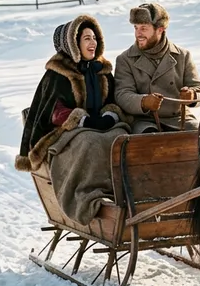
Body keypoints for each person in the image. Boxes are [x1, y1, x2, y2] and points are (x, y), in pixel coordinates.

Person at [15, 14, 126, 173]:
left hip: (100, 126)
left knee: (121, 137)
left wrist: (110, 115)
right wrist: (84, 121)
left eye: (94, 37)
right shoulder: (58, 74)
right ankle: (86, 191)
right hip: (64, 131)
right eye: (87, 38)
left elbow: (112, 100)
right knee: (88, 141)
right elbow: (54, 111)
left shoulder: (101, 71)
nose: (93, 42)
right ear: (74, 43)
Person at [114, 2, 200, 133]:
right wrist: (144, 101)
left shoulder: (183, 56)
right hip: (144, 121)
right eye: (136, 28)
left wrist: (192, 95)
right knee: (148, 142)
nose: (138, 34)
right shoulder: (125, 59)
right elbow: (122, 95)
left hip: (179, 119)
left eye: (143, 28)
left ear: (160, 30)